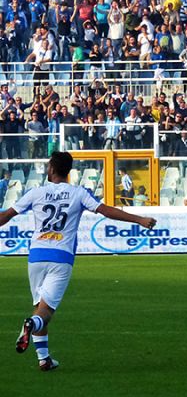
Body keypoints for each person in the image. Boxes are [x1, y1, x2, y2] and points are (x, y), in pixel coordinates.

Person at [0, 152, 156, 371]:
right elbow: (105, 211)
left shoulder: (36, 192)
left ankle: (44, 359)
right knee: (45, 312)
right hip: (61, 256)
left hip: (36, 255)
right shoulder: (78, 193)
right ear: (68, 171)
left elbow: (5, 216)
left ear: (51, 169)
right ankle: (31, 325)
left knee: (40, 306)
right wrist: (139, 219)